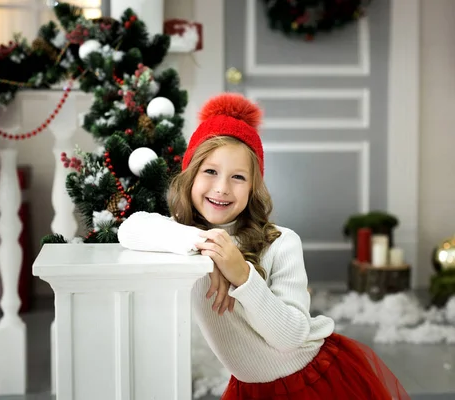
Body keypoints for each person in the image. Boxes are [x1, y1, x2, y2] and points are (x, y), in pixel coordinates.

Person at [118, 93, 410, 400]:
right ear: (190, 174)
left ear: (254, 187)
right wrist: (210, 245)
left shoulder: (281, 242)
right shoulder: (185, 238)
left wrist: (242, 275)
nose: (221, 188)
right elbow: (130, 228)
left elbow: (292, 337)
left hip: (310, 379)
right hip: (251, 389)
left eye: (238, 177)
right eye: (210, 171)